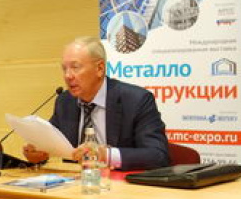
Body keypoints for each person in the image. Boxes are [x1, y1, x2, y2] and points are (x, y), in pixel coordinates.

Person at [23, 36, 169, 170]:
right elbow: (51, 143)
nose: (67, 76)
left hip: (120, 185)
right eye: (64, 68)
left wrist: (106, 155)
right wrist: (38, 153)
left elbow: (158, 155)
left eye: (75, 67)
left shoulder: (137, 100)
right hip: (75, 184)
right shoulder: (65, 101)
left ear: (100, 68)